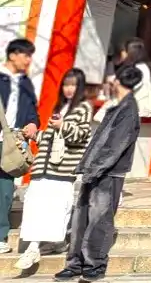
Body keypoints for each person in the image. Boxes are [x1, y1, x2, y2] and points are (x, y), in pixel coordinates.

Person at [55, 63, 142, 282]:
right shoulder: (118, 106)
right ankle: (74, 264)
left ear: (118, 80)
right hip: (93, 170)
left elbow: (116, 146)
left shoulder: (129, 109)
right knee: (81, 219)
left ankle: (94, 266)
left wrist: (95, 169)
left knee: (99, 220)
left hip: (108, 173)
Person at [15, 69, 93, 270]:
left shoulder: (83, 108)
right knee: (35, 203)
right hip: (43, 166)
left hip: (62, 169)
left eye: (73, 85)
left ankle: (33, 249)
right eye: (66, 84)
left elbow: (81, 136)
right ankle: (53, 243)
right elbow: (49, 139)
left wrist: (62, 125)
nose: (69, 89)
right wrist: (32, 136)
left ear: (80, 87)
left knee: (55, 207)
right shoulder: (61, 107)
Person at [0, 38, 40, 254]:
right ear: (13, 55)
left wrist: (33, 123)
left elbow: (33, 110)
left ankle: (0, 235)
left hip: (13, 142)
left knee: (5, 188)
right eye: (25, 55)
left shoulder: (25, 83)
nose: (28, 60)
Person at [121, 39, 151, 120]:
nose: (122, 53)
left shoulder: (139, 69)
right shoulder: (141, 67)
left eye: (124, 51)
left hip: (135, 109)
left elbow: (130, 86)